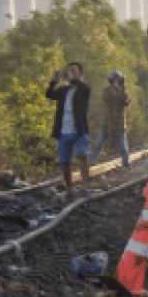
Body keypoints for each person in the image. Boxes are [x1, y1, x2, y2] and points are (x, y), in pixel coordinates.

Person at [45, 62, 91, 196]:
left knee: (82, 157)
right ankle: (69, 188)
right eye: (69, 70)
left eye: (74, 70)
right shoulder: (63, 90)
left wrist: (71, 77)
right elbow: (49, 94)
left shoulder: (84, 88)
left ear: (79, 73)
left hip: (80, 131)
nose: (71, 72)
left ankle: (85, 187)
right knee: (65, 162)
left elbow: (83, 86)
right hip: (64, 132)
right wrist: (53, 82)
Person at [90, 70, 131, 167]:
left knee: (123, 148)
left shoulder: (124, 91)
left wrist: (119, 90)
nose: (116, 82)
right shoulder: (106, 90)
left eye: (118, 80)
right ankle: (91, 163)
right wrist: (114, 90)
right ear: (111, 80)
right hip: (106, 123)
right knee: (98, 144)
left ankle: (126, 165)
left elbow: (127, 102)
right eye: (114, 80)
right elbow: (105, 98)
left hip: (119, 124)